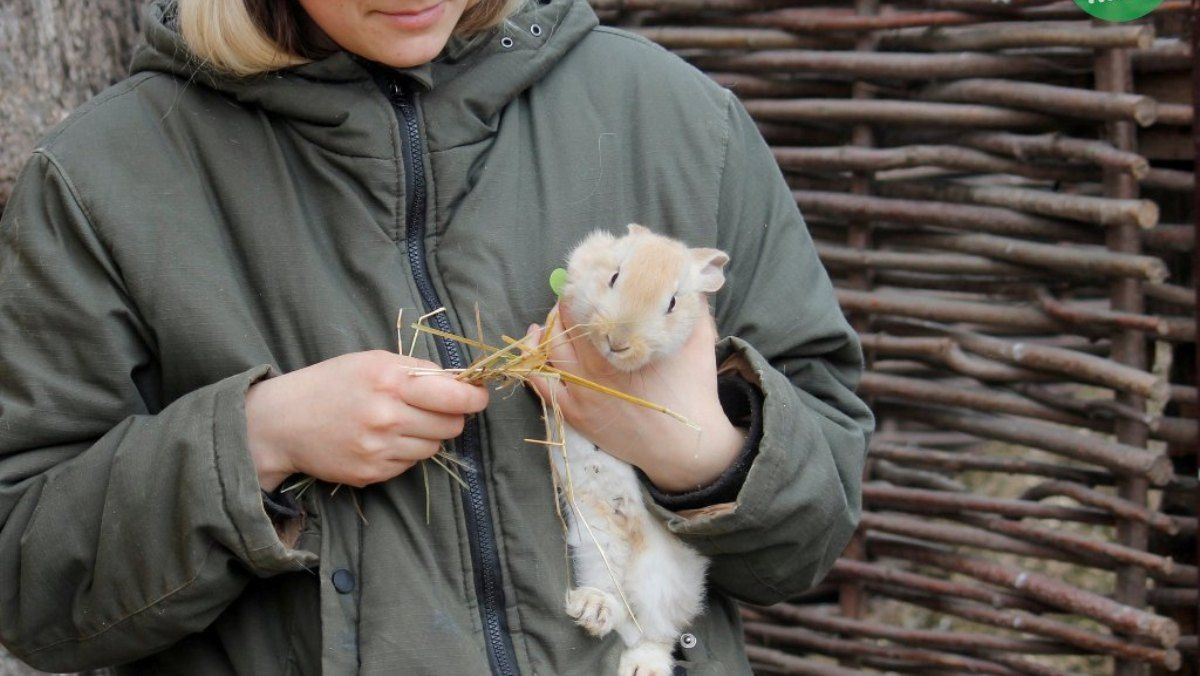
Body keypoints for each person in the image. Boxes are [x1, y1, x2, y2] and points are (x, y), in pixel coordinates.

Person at [0, 0, 874, 673]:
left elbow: (815, 525)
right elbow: (28, 583)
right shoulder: (104, 181)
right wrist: (257, 442)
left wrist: (699, 452)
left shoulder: (676, 121)